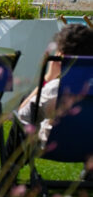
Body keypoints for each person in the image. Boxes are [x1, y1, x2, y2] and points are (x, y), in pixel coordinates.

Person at [10, 24, 93, 153]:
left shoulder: (54, 89)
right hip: (88, 148)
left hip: (54, 147)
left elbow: (22, 115)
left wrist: (48, 77)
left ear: (60, 55)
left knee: (25, 104)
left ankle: (10, 169)